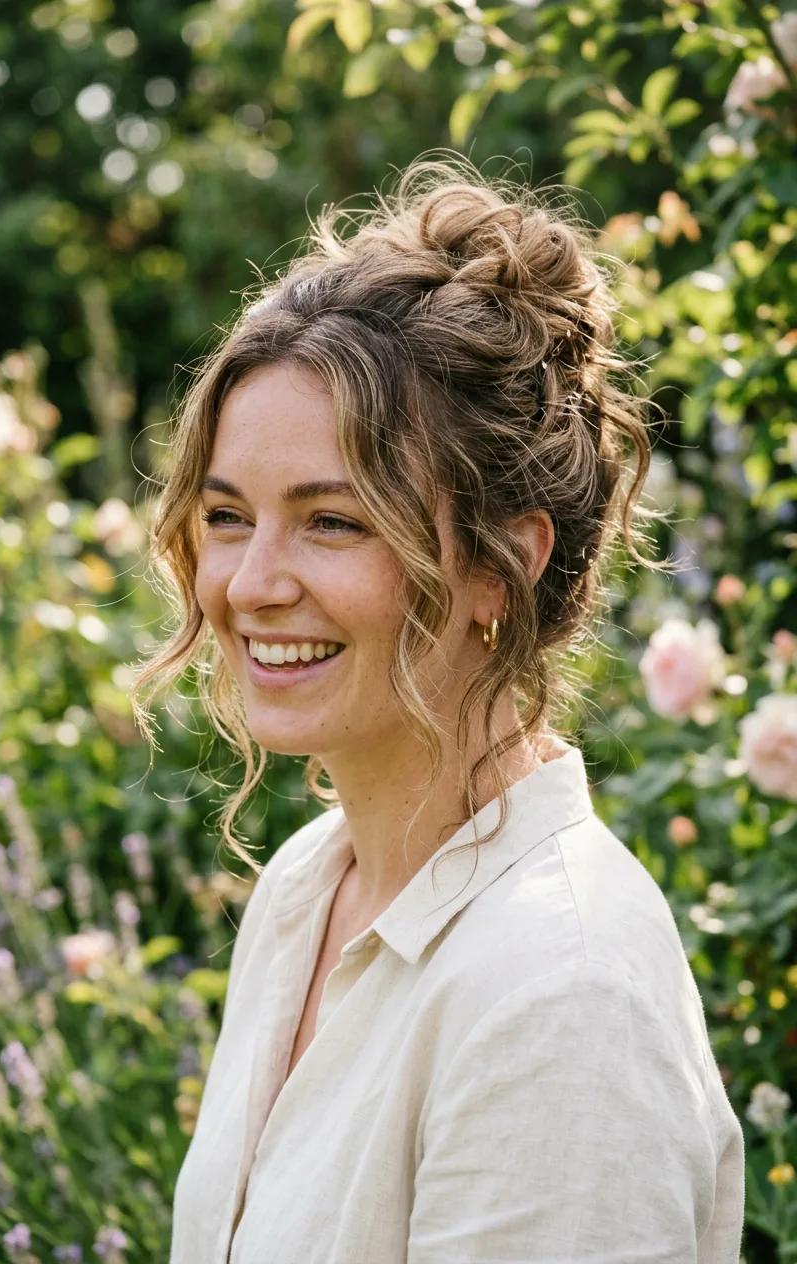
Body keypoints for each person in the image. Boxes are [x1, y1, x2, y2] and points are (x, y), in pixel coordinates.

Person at [136, 158, 744, 1262]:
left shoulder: (560, 992)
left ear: (497, 570)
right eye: (229, 515)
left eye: (332, 522)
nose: (249, 582)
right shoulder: (303, 891)